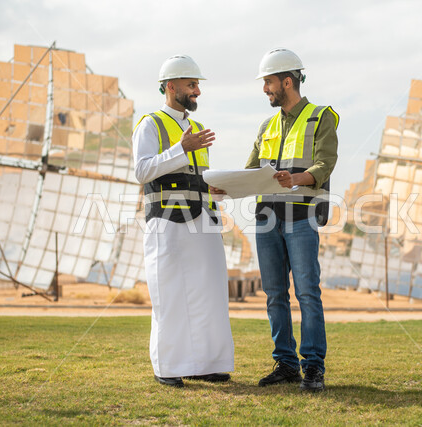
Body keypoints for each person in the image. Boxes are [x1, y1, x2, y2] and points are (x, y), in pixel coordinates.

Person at [132, 54, 234, 387]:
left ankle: (205, 363)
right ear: (171, 86)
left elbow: (197, 176)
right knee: (171, 294)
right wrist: (181, 147)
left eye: (197, 86)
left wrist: (219, 190)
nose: (197, 92)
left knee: (210, 292)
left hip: (203, 220)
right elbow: (143, 170)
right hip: (167, 221)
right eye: (192, 85)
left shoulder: (199, 129)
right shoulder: (151, 123)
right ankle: (168, 367)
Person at [245, 48, 339, 392]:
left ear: (287, 81)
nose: (265, 89)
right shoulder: (266, 125)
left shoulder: (321, 117)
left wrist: (295, 179)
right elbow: (252, 170)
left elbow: (325, 164)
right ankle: (285, 363)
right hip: (267, 219)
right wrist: (225, 186)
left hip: (301, 218)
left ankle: (313, 366)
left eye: (268, 82)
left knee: (307, 293)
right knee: (274, 295)